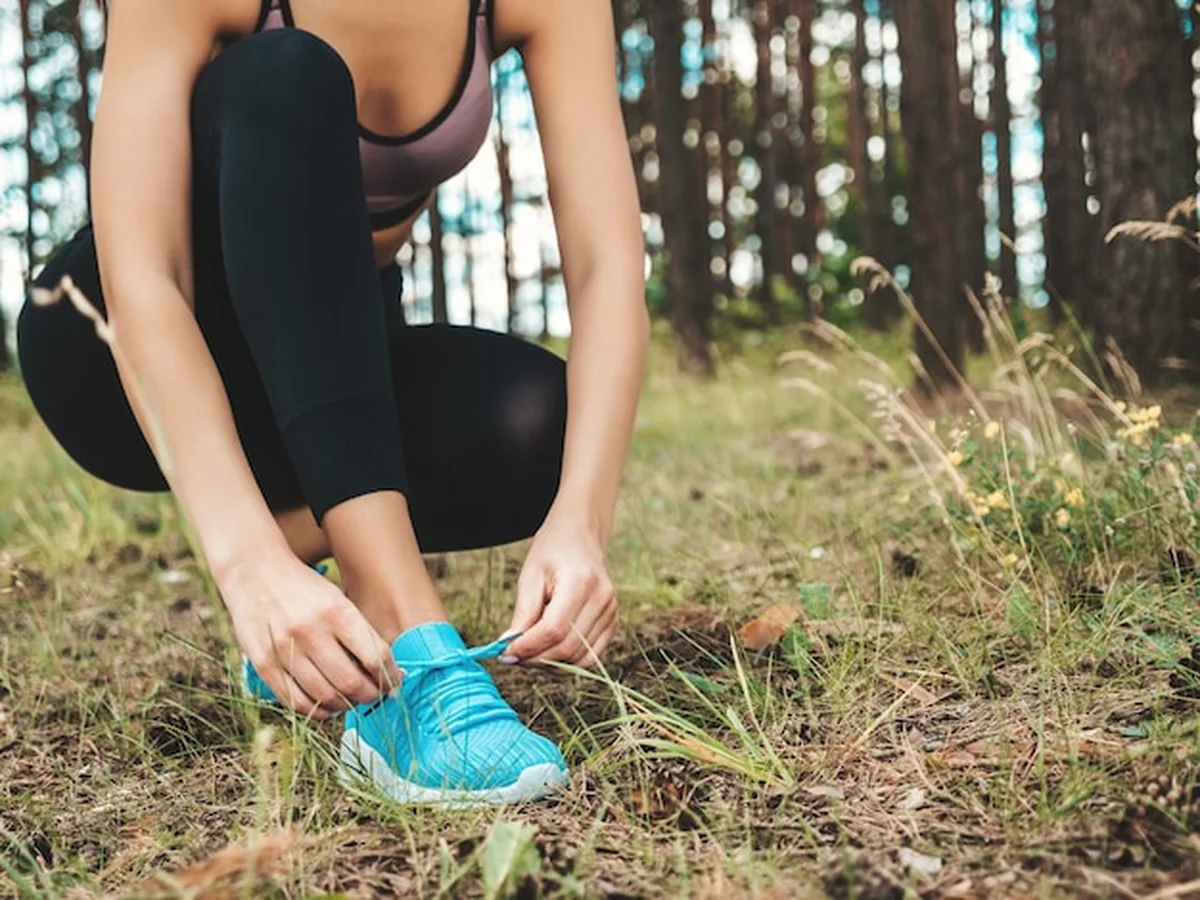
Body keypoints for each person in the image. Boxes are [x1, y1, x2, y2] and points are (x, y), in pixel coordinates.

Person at [16, 0, 648, 806]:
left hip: (326, 362)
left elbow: (607, 270)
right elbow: (147, 278)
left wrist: (582, 526)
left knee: (539, 426)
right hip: (111, 345)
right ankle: (399, 639)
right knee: (290, 71)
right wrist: (245, 570)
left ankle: (304, 592)